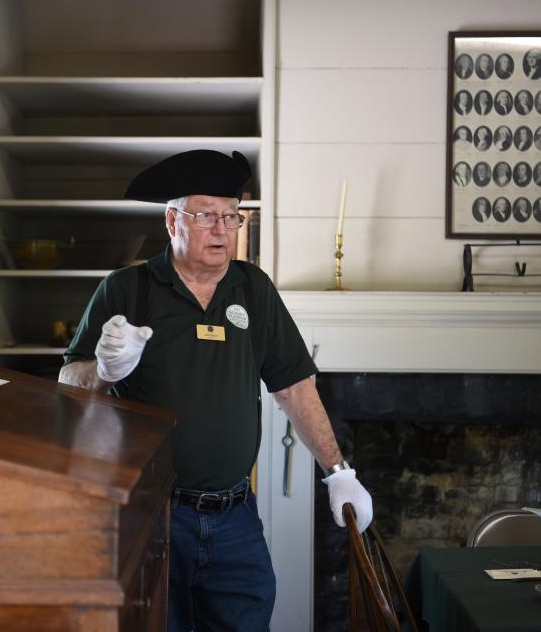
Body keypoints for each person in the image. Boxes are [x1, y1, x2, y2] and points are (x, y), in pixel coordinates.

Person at [59, 150, 374, 631]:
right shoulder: (128, 289)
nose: (222, 229)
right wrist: (104, 368)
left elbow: (292, 385)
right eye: (206, 215)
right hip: (153, 517)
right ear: (172, 220)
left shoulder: (253, 289)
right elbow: (68, 383)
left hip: (235, 519)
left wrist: (338, 472)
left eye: (232, 216)